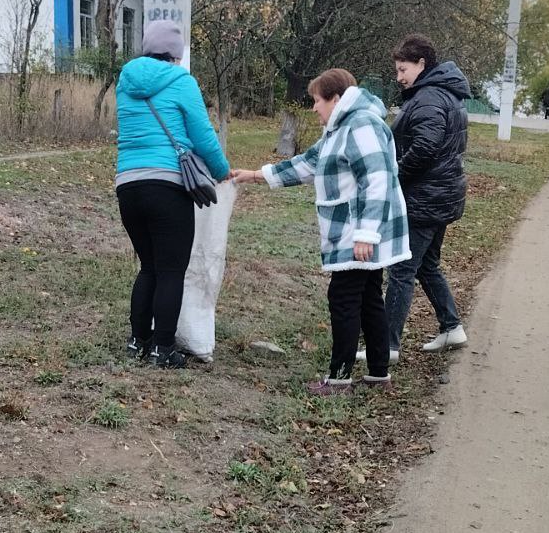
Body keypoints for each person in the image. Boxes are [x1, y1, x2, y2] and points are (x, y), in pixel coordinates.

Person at [232, 68, 409, 395]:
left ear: (336, 98)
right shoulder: (340, 128)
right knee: (368, 297)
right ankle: (378, 375)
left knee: (343, 298)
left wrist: (366, 234)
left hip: (358, 232)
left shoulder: (361, 126)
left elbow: (377, 181)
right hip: (355, 230)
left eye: (317, 101)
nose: (314, 108)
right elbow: (307, 164)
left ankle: (340, 379)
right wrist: (255, 175)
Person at [115, 20, 230, 369]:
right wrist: (222, 172)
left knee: (148, 266)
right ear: (175, 54)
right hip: (167, 187)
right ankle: (163, 348)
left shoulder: (125, 81)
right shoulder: (182, 81)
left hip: (128, 186)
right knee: (171, 270)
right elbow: (203, 135)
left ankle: (138, 341)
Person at [379, 33, 469, 362]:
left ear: (421, 64)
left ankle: (386, 347)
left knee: (402, 270)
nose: (399, 77)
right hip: (441, 194)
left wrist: (394, 174)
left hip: (426, 198)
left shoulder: (430, 97)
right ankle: (452, 327)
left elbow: (426, 147)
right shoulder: (442, 93)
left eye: (403, 69)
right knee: (427, 265)